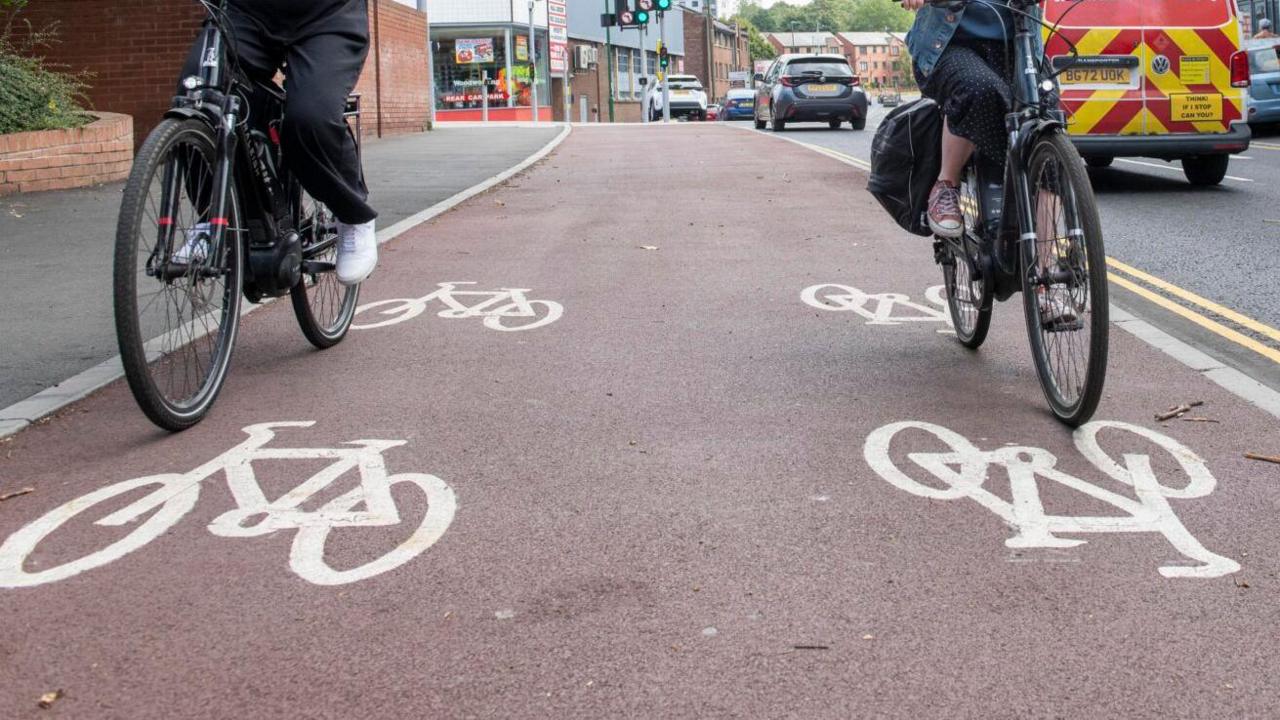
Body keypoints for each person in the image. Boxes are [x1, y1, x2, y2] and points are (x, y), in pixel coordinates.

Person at [175, 0, 378, 286]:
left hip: (328, 16)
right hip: (246, 12)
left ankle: (353, 215)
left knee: (311, 118)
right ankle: (213, 219)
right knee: (199, 97)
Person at [904, 0, 1075, 326]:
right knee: (979, 90)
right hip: (952, 45)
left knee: (1047, 128)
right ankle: (946, 186)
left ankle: (1045, 280)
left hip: (1020, 44)